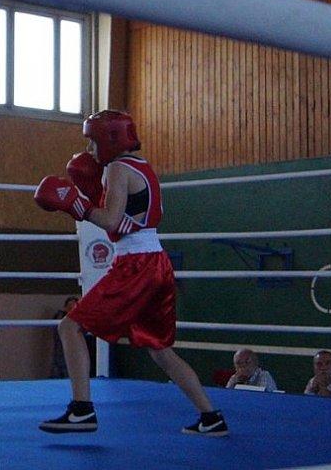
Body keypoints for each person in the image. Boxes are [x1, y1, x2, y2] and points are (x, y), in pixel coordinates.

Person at [33, 109, 228, 436]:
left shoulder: (117, 169)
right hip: (157, 261)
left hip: (135, 264)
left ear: (109, 139)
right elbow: (130, 222)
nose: (90, 149)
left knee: (69, 327)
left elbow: (110, 221)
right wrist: (89, 196)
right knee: (160, 350)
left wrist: (76, 204)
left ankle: (82, 410)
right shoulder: (143, 167)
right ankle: (211, 417)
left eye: (93, 142)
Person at [50, 297, 78, 378]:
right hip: (60, 353)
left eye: (74, 308)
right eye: (70, 308)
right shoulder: (60, 319)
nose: (71, 311)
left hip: (74, 354)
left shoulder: (77, 320)